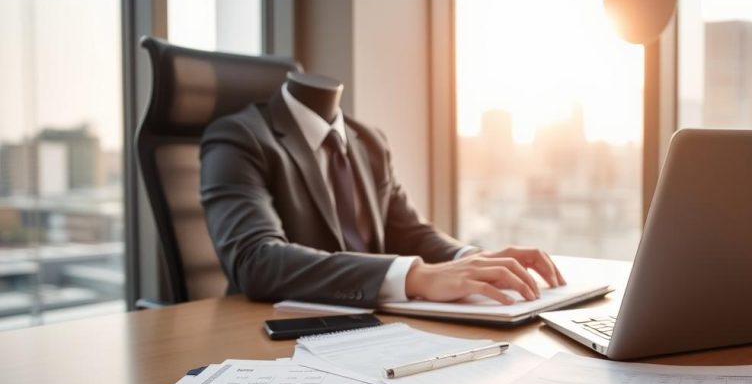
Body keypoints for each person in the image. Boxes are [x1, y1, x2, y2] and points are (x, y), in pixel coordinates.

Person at [199, 72, 564, 307]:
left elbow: (410, 232)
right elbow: (256, 260)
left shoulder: (368, 141)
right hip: (275, 337)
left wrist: (470, 259)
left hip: (374, 328)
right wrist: (414, 276)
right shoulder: (238, 137)